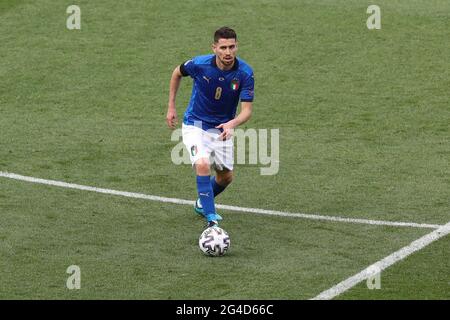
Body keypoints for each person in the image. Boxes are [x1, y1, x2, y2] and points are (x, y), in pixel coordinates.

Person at [166, 26, 254, 227]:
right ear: (214, 48)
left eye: (232, 47)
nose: (228, 52)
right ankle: (211, 219)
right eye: (223, 47)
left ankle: (201, 203)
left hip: (222, 130)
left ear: (237, 46)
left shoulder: (245, 73)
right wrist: (171, 105)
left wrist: (232, 123)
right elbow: (177, 73)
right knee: (203, 164)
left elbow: (247, 110)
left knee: (225, 177)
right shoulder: (199, 64)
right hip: (195, 125)